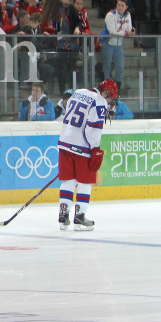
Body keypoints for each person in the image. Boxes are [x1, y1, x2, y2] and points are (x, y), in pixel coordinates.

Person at [57, 81, 115, 231]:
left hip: (64, 142)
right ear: (107, 92)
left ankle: (64, 215)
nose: (108, 101)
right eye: (109, 97)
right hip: (82, 146)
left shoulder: (78, 92)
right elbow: (92, 129)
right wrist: (95, 148)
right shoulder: (100, 101)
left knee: (68, 181)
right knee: (85, 182)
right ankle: (80, 217)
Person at [103, 0, 135, 84]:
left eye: (122, 5)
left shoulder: (128, 15)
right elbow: (112, 32)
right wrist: (126, 33)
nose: (120, 7)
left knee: (120, 67)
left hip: (118, 45)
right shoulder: (110, 15)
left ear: (126, 7)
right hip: (107, 43)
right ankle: (106, 87)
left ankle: (117, 91)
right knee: (107, 67)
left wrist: (131, 32)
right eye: (118, 5)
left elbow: (129, 28)